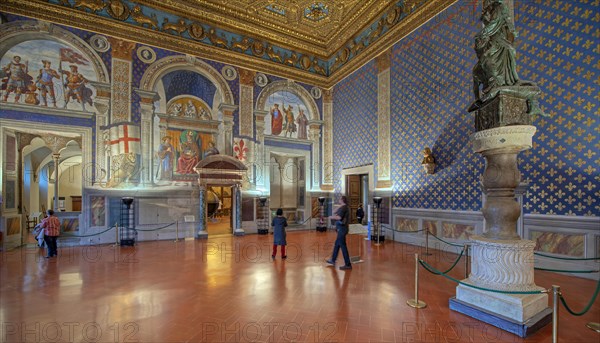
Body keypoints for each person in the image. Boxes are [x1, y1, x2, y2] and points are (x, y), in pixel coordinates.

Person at [326, 196, 352, 270]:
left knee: (343, 246)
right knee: (337, 244)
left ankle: (348, 264)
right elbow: (334, 212)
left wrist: (331, 217)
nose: (339, 199)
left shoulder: (344, 208)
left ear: (342, 200)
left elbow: (339, 218)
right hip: (341, 229)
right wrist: (340, 205)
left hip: (342, 229)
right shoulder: (343, 207)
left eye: (340, 199)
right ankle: (333, 260)